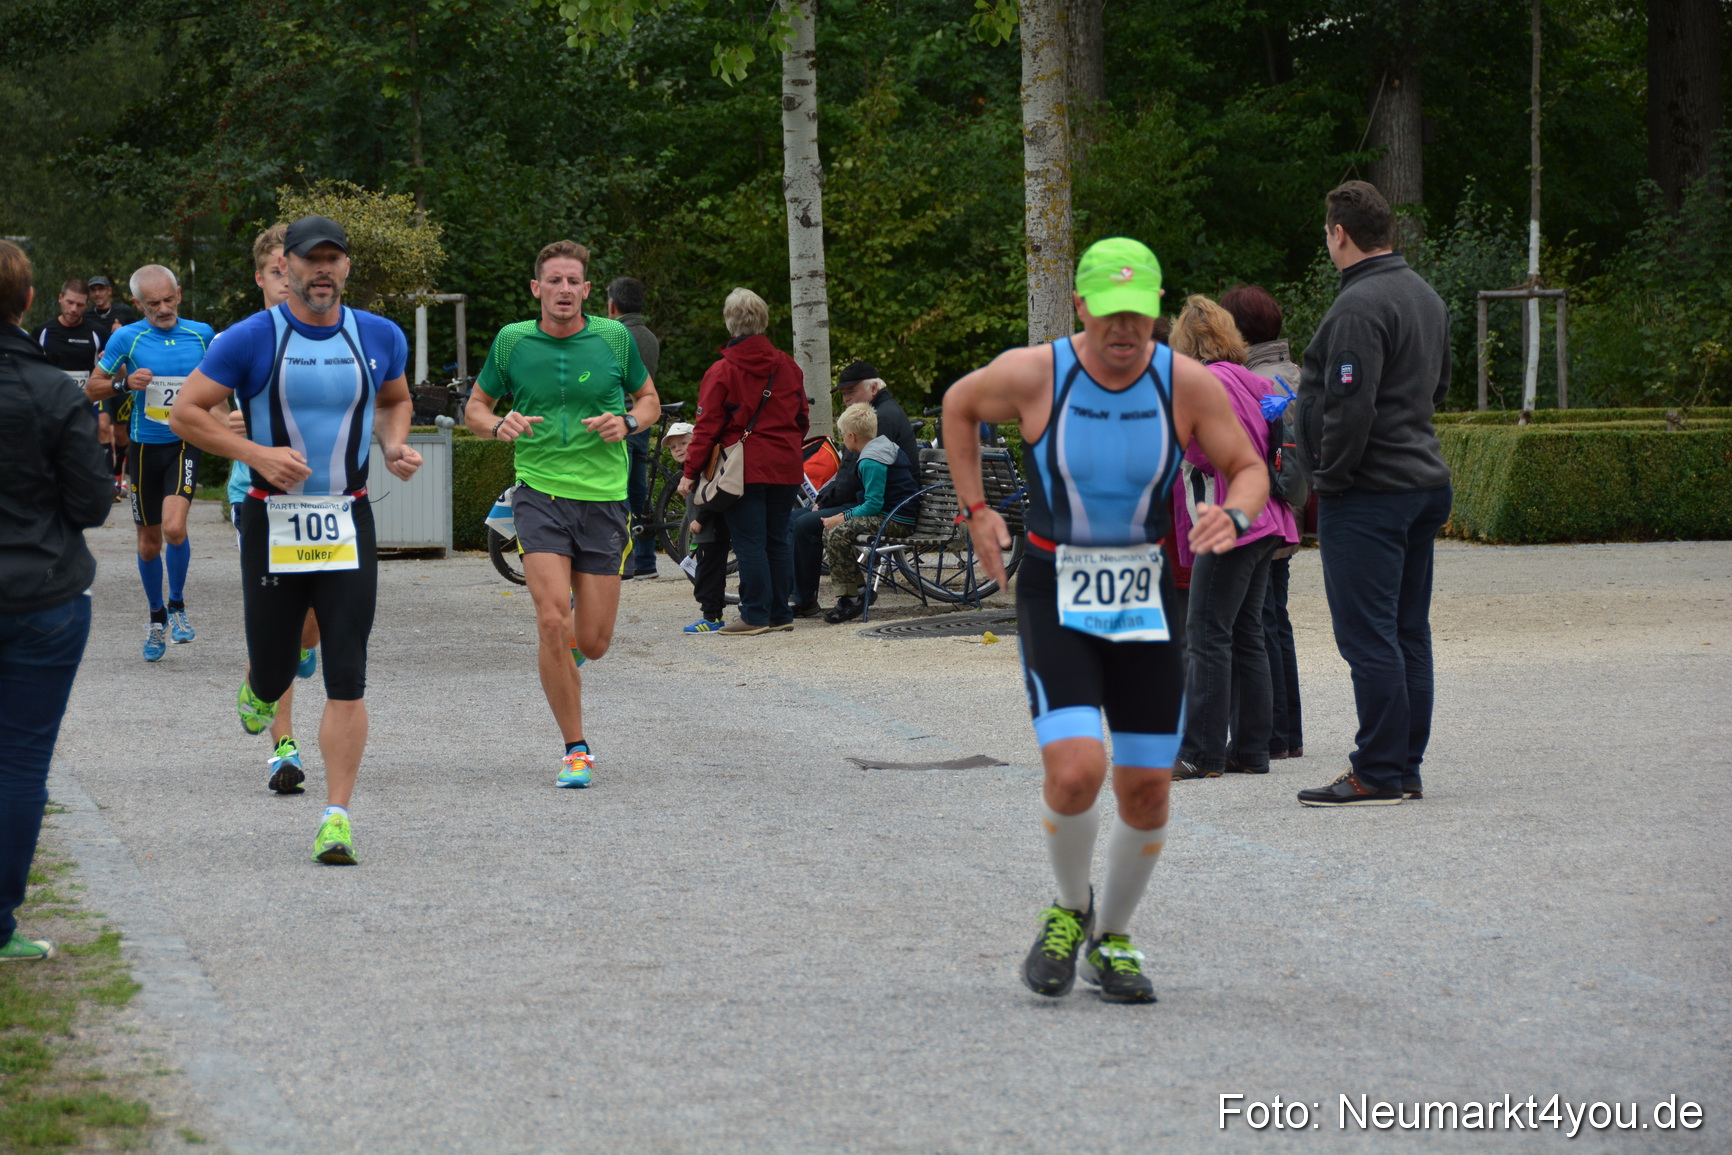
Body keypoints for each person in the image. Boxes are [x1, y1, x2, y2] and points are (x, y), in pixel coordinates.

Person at [944, 236, 1269, 1004]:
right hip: (1056, 589)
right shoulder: (1037, 373)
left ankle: (1112, 936)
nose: (1125, 330)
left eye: (1140, 313)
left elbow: (1248, 465)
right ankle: (1068, 908)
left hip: (1147, 597)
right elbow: (960, 404)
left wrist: (1236, 509)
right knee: (1077, 770)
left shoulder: (1184, 383)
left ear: (1158, 309)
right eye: (1109, 313)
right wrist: (976, 511)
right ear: (1081, 306)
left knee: (1147, 788)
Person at [171, 215, 422, 865]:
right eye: (310, 260)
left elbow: (396, 398)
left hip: (347, 518)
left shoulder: (380, 335)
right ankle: (261, 687)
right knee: (278, 663)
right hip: (269, 517)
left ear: (346, 268)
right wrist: (256, 451)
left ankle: (336, 815)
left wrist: (394, 442)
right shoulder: (250, 338)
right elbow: (186, 412)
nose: (322, 270)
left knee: (346, 671)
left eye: (334, 259)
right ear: (289, 265)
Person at [463, 240, 661, 788]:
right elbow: (476, 407)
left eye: (574, 281)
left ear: (588, 291)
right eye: (554, 281)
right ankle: (576, 748)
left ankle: (568, 641)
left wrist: (629, 422)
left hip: (602, 496)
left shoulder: (615, 339)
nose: (565, 290)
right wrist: (495, 424)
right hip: (539, 493)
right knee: (551, 618)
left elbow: (649, 399)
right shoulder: (512, 342)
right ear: (537, 289)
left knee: (592, 643)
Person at [1294, 181, 1453, 807]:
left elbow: (1349, 406)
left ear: (1339, 233)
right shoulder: (1425, 296)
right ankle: (1403, 765)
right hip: (1421, 481)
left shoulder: (1360, 306)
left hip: (1371, 492)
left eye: (1326, 234)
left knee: (1369, 637)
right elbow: (1436, 391)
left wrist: (1329, 480)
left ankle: (1380, 771)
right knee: (1408, 631)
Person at [0, 240, 112, 961]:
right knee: (19, 760)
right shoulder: (52, 390)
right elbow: (94, 502)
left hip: (40, 592)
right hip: (40, 592)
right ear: (32, 302)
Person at [1166, 295, 1300, 780]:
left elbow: (1201, 456)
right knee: (1247, 635)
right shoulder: (1252, 379)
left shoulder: (1200, 385)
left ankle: (1199, 753)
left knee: (1206, 634)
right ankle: (1250, 749)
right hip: (1269, 518)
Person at [222, 224, 323, 794]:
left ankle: (294, 656)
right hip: (257, 500)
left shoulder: (333, 336)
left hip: (326, 501)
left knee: (310, 628)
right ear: (261, 277)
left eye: (295, 269)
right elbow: (189, 415)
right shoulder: (240, 341)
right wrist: (228, 427)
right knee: (280, 624)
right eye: (278, 271)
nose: (289, 280)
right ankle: (284, 747)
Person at [86, 265, 216, 661]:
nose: (164, 309)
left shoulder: (202, 334)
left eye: (169, 300)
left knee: (175, 528)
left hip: (183, 444)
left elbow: (226, 382)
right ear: (140, 304)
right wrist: (124, 383)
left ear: (179, 293)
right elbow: (92, 388)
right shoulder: (128, 337)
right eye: (153, 303)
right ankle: (156, 616)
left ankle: (176, 605)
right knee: (149, 542)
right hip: (144, 448)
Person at [676, 288, 807, 637]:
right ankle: (781, 612)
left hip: (743, 468)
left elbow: (706, 428)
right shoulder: (788, 365)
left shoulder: (722, 370)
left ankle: (754, 614)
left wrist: (690, 473)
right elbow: (801, 417)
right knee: (777, 539)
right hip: (787, 463)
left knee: (749, 542)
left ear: (729, 322)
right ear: (763, 319)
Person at [1221, 283, 1305, 761]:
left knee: (1260, 623)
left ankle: (1273, 731)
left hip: (1268, 513)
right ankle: (1287, 730)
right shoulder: (1293, 372)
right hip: (1290, 511)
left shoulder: (1260, 380)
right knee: (1276, 619)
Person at [787, 360, 914, 616]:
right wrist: (826, 499)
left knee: (806, 524)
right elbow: (849, 474)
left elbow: (862, 486)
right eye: (843, 393)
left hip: (887, 508)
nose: (846, 398)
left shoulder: (878, 420)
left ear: (874, 388)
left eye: (852, 392)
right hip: (875, 502)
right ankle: (809, 595)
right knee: (796, 520)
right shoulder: (865, 420)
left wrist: (832, 509)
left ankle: (823, 598)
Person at [817, 402, 919, 624]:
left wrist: (840, 517)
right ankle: (858, 592)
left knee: (836, 533)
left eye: (842, 435)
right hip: (891, 514)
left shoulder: (871, 461)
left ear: (852, 436)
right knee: (833, 533)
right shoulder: (881, 446)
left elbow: (873, 505)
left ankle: (850, 599)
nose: (843, 440)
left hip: (896, 520)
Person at [606, 276, 663, 579]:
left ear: (613, 305)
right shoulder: (649, 336)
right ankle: (646, 561)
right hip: (643, 420)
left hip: (620, 422)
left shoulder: (613, 335)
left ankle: (624, 563)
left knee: (618, 492)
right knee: (639, 491)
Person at [32, 279, 106, 380]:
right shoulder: (41, 331)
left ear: (87, 305)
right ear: (60, 298)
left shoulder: (98, 333)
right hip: (51, 394)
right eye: (70, 302)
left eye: (80, 305)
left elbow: (115, 370)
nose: (73, 309)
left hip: (86, 395)